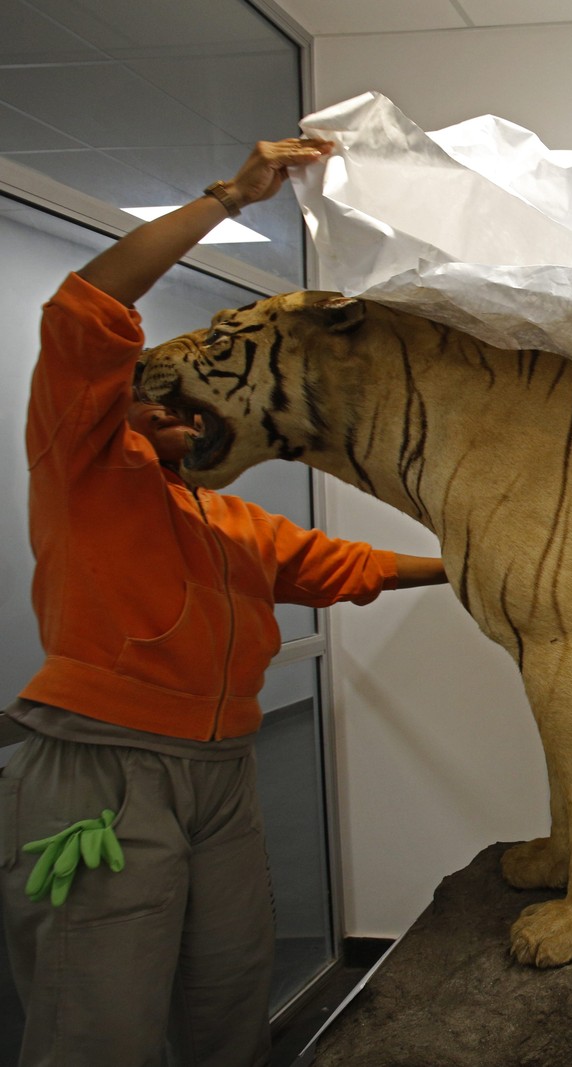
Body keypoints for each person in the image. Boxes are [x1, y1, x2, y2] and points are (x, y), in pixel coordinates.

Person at [1, 138, 449, 1067]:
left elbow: (345, 565)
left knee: (230, 996)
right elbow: (87, 306)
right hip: (106, 771)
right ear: (108, 405)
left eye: (190, 405)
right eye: (154, 396)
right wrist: (227, 198)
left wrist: (477, 561)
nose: (178, 413)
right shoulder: (82, 465)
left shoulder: (227, 518)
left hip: (220, 773)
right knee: (100, 1017)